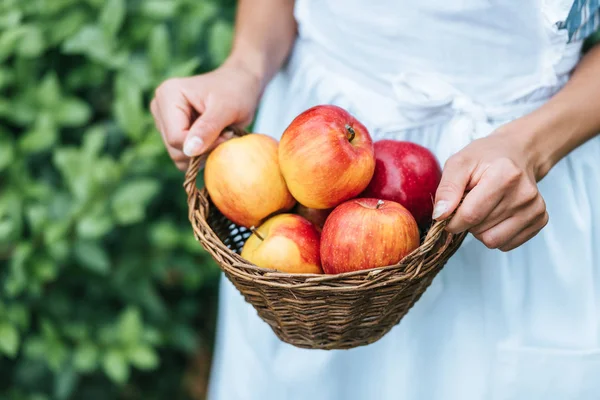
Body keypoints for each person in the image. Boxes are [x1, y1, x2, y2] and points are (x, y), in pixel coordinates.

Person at [150, 1, 600, 399]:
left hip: (515, 165)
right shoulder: (288, 176)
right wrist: (245, 67)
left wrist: (533, 146)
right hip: (314, 136)